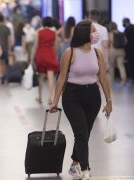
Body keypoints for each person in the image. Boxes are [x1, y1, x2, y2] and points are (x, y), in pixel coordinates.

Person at [49, 20, 112, 179]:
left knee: (84, 134)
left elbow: (103, 78)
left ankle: (74, 164)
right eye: (93, 30)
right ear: (84, 33)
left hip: (93, 96)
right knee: (81, 134)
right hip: (72, 97)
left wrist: (109, 101)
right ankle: (86, 170)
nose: (96, 33)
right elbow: (61, 78)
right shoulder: (70, 53)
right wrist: (55, 101)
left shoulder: (97, 53)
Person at [32, 17, 59, 105]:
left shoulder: (38, 33)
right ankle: (50, 98)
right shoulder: (54, 33)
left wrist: (32, 59)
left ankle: (39, 97)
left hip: (41, 55)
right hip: (50, 54)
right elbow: (56, 47)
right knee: (50, 77)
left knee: (40, 77)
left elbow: (35, 46)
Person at [0, 14, 12, 84]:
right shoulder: (7, 28)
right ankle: (3, 75)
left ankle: (0, 75)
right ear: (3, 19)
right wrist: (10, 49)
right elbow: (9, 40)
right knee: (3, 62)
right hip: (5, 48)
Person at [122, 18, 134, 82]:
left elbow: (125, 41)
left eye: (123, 22)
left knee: (131, 65)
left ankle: (133, 79)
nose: (122, 24)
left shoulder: (127, 29)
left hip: (130, 50)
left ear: (126, 22)